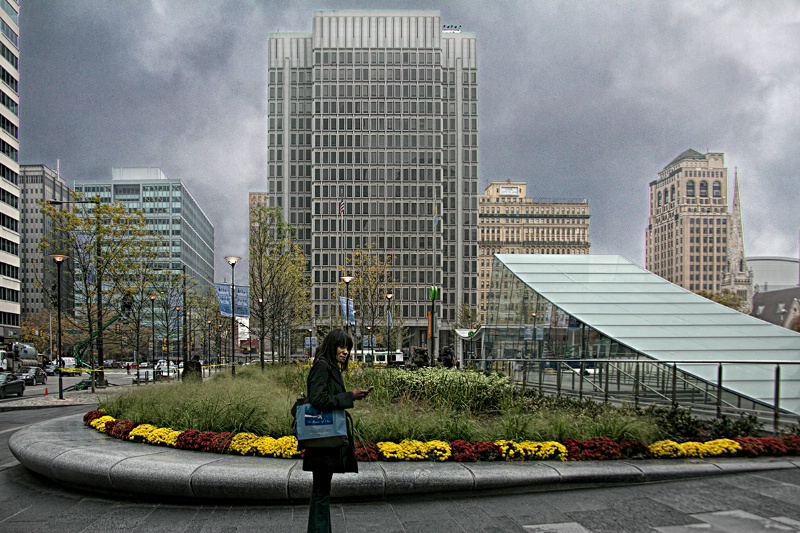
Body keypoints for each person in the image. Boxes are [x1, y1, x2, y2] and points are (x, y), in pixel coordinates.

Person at [303, 329, 371, 533]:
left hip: (325, 438)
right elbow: (318, 399)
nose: (346, 351)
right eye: (341, 347)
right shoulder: (322, 367)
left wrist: (350, 396)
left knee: (322, 490)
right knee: (321, 491)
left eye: (348, 347)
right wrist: (349, 396)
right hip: (323, 439)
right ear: (331, 346)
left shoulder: (330, 368)